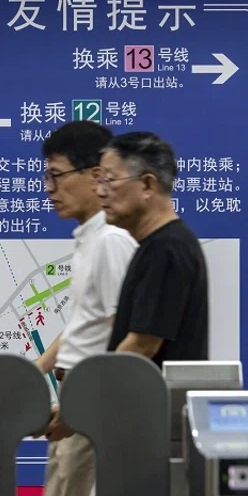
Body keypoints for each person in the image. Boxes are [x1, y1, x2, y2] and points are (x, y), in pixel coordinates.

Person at [34, 121, 138, 496]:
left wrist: (85, 406)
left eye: (56, 176)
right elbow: (84, 323)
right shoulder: (89, 241)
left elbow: (124, 335)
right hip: (74, 397)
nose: (49, 189)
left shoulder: (112, 242)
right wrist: (37, 368)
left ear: (95, 175)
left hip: (92, 406)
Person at [96, 131, 209, 365]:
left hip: (152, 390)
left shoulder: (166, 248)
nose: (100, 191)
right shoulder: (159, 244)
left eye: (109, 179)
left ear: (147, 184)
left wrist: (103, 385)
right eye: (99, 180)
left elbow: (142, 345)